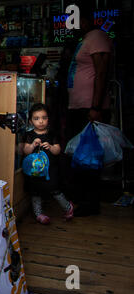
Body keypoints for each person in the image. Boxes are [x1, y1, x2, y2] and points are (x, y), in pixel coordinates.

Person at [66, 4, 113, 216]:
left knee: (88, 158)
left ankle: (89, 203)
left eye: (75, 21)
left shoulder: (97, 37)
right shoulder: (86, 39)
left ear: (84, 20)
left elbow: (102, 72)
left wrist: (95, 107)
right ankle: (81, 200)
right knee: (79, 156)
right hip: (80, 106)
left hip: (89, 108)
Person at [23, 104, 74, 225]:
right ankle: (38, 214)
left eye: (44, 118)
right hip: (34, 171)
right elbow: (26, 150)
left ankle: (67, 207)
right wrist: (32, 145)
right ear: (31, 121)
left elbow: (58, 150)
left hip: (50, 170)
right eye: (36, 118)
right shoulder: (29, 135)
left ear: (48, 119)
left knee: (54, 189)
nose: (40, 121)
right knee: (35, 191)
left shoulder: (52, 135)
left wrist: (50, 147)